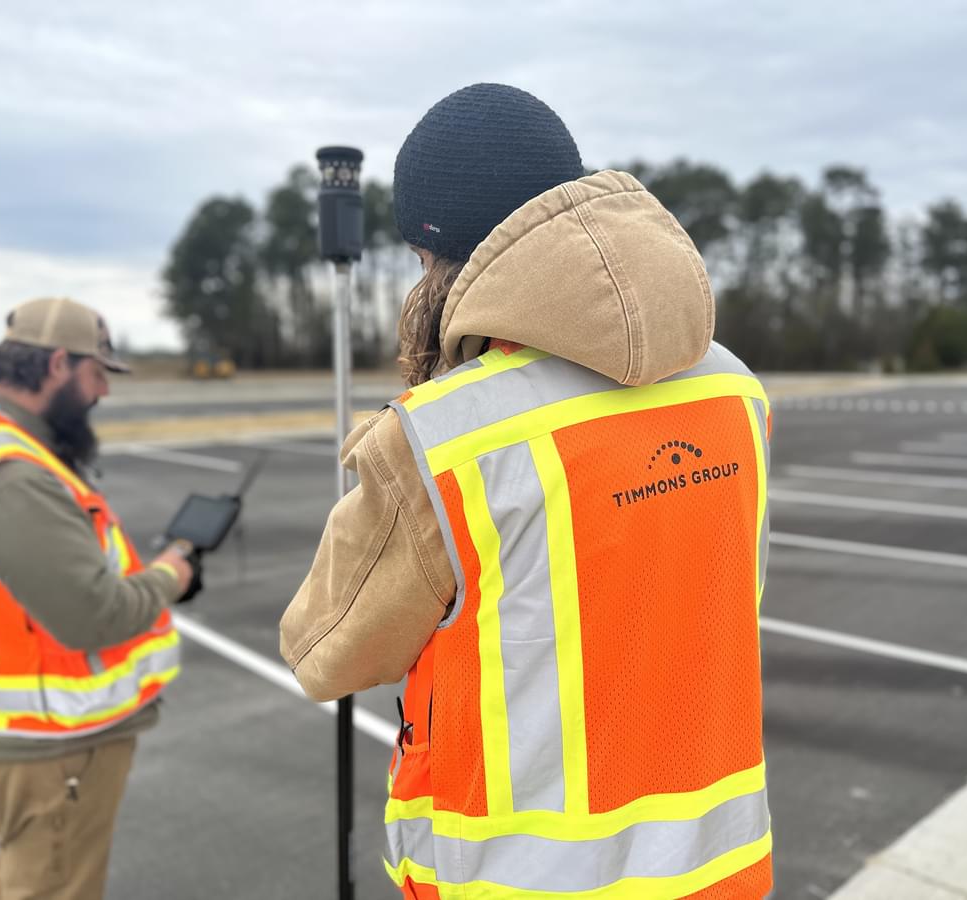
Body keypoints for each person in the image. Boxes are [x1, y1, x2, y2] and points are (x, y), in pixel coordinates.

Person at [281, 83, 773, 898]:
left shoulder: (443, 436)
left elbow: (326, 651)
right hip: (719, 874)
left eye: (420, 258)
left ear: (438, 259)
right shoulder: (734, 392)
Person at [0, 297, 202, 900]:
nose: (102, 391)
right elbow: (91, 613)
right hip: (54, 752)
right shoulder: (15, 480)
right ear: (57, 364)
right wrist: (169, 576)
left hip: (47, 745)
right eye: (97, 373)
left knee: (29, 881)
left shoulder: (2, 442)